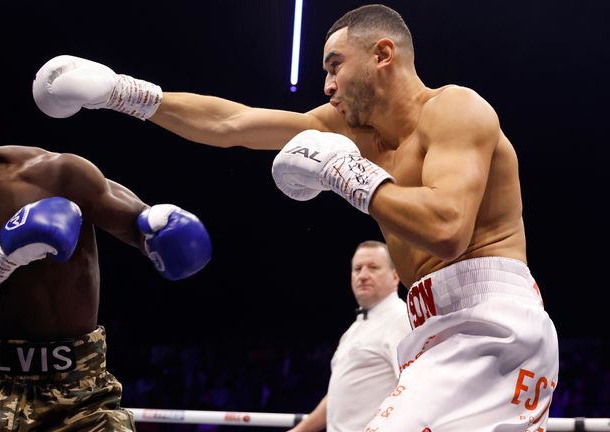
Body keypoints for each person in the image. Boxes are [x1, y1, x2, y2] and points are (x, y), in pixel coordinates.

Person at [31, 3, 559, 430]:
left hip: (489, 322)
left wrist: (347, 176)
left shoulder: (455, 109)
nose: (326, 85)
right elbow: (233, 122)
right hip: (434, 324)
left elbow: (447, 230)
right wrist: (125, 93)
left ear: (382, 54)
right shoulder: (353, 133)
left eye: (334, 65)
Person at [0, 63, 212, 431]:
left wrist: (162, 230)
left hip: (76, 396)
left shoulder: (56, 175)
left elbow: (141, 225)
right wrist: (2, 253)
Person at [289, 240, 410, 432]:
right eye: (357, 269)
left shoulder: (400, 319)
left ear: (395, 277)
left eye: (373, 268)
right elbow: (338, 396)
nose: (362, 275)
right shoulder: (355, 329)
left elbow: (411, 390)